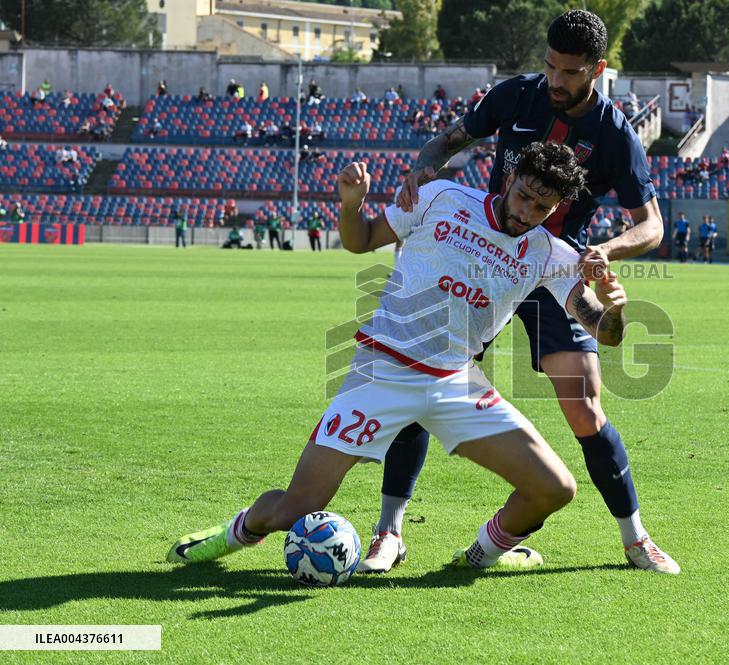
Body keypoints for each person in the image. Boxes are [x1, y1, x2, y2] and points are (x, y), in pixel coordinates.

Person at [166, 142, 630, 572]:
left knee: (554, 489)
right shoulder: (442, 198)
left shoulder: (552, 254)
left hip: (455, 382)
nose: (527, 212)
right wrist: (352, 204)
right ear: (509, 180)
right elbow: (360, 239)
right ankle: (232, 533)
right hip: (381, 373)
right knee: (295, 508)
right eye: (524, 196)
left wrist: (616, 305)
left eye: (542, 207)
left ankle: (479, 555)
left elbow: (603, 331)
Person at [363, 10, 677, 576]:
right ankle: (389, 532)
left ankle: (635, 540)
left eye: (571, 72)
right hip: (485, 259)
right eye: (551, 66)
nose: (557, 80)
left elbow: (651, 225)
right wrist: (420, 171)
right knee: (421, 376)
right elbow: (449, 141)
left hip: (556, 269)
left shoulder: (615, 134)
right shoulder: (517, 96)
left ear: (598, 70)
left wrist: (607, 251)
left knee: (584, 408)